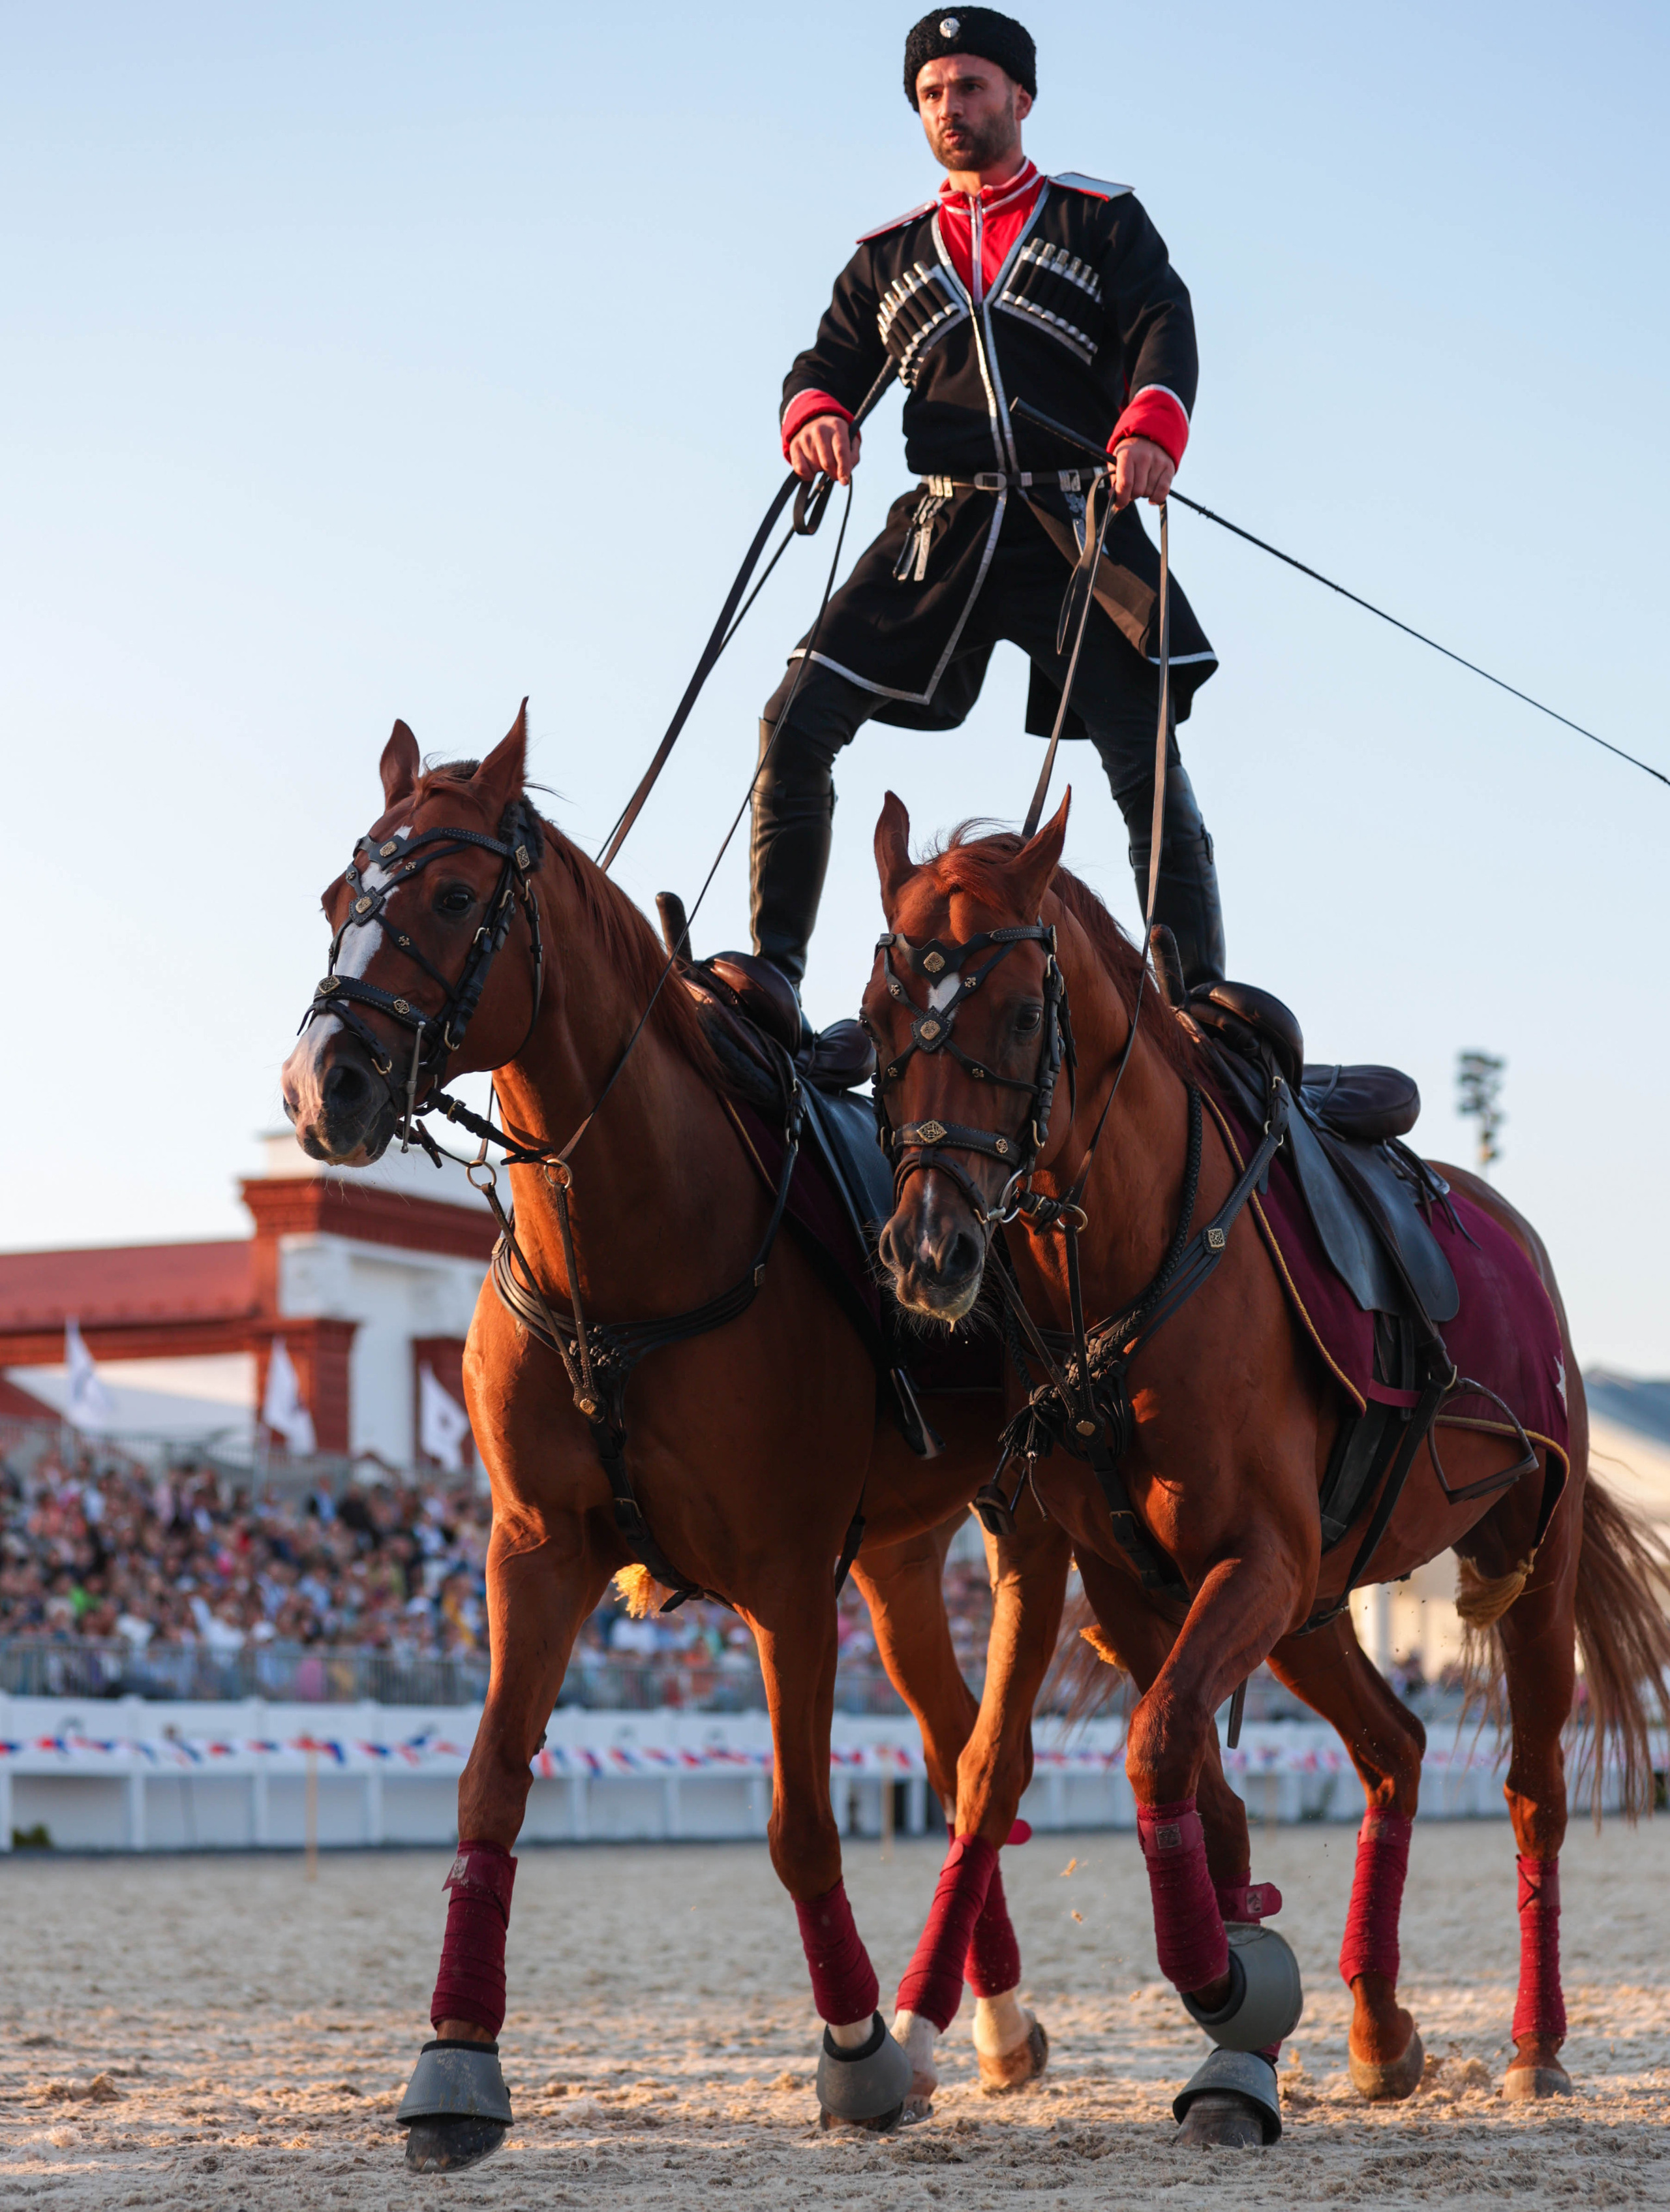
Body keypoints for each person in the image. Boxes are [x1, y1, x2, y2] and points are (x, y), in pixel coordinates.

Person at [751, 6, 1224, 1009]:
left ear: (1020, 97)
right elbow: (826, 361)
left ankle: (1200, 1005)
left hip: (1072, 528)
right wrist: (818, 413)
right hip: (942, 532)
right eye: (931, 94)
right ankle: (772, 979)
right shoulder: (890, 255)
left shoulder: (1099, 219)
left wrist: (1148, 426)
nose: (950, 108)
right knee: (795, 718)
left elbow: (1161, 323)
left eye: (969, 87)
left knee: (1145, 757)